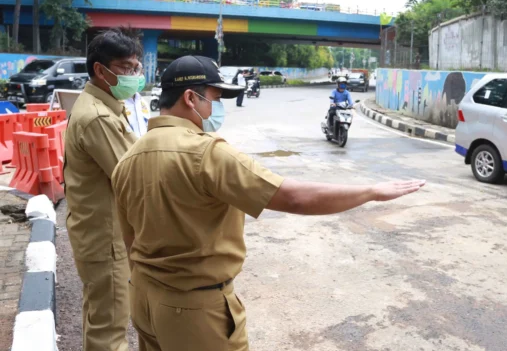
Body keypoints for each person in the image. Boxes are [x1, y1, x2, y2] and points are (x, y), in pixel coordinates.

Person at [111, 55, 424, 351]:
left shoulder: (128, 158)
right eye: (215, 98)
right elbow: (293, 197)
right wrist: (370, 191)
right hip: (194, 312)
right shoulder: (206, 153)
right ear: (191, 98)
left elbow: (129, 241)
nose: (218, 108)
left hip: (144, 299)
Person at [64, 27, 143, 351]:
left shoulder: (107, 106)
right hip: (105, 239)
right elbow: (133, 176)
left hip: (96, 233)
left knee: (98, 317)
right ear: (101, 69)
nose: (134, 76)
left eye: (136, 68)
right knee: (109, 331)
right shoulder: (98, 118)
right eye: (126, 68)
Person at [124, 73, 150, 138]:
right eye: (134, 71)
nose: (140, 76)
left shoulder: (143, 102)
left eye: (141, 72)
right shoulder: (118, 103)